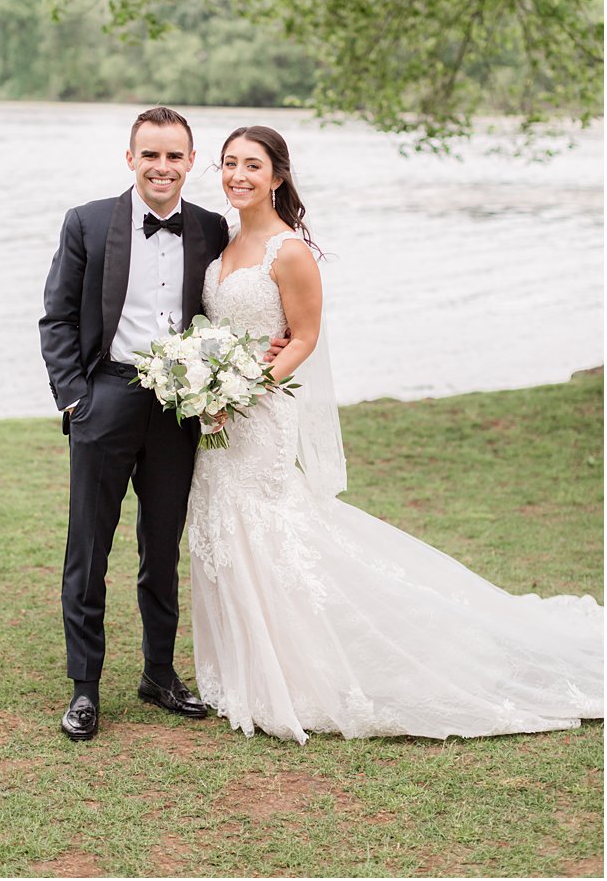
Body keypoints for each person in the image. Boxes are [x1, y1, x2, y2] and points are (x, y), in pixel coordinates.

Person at [188, 124, 605, 743]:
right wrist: (204, 383)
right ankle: (245, 670)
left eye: (252, 165)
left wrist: (244, 389)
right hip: (217, 419)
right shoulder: (220, 243)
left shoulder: (289, 251)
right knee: (223, 527)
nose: (237, 176)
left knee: (270, 529)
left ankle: (299, 674)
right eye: (228, 164)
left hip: (261, 411)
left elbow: (303, 336)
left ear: (278, 176)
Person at [38, 106, 231, 740]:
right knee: (88, 547)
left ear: (190, 162)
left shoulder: (210, 228)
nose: (162, 167)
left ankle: (158, 673)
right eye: (150, 154)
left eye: (174, 156)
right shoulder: (88, 222)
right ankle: (85, 688)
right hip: (107, 396)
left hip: (179, 408)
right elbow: (58, 318)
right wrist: (75, 398)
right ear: (130, 159)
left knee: (162, 545)